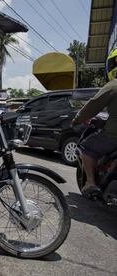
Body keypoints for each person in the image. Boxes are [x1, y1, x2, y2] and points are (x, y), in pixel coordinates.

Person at [72, 48, 117, 197]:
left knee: (87, 148)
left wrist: (77, 119)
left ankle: (91, 182)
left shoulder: (113, 85)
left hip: (114, 135)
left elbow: (93, 105)